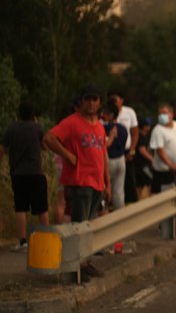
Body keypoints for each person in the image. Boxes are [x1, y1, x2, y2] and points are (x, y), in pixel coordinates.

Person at [43, 84, 110, 279]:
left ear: (99, 102)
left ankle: (85, 262)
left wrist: (107, 182)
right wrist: (68, 155)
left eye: (94, 99)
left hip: (97, 183)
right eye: (87, 99)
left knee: (88, 226)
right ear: (81, 102)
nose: (91, 103)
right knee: (79, 225)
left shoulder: (99, 125)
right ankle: (74, 267)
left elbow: (103, 154)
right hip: (80, 181)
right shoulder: (72, 122)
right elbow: (49, 138)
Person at [1, 101, 49, 252]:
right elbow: (45, 146)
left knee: (20, 207)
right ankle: (45, 239)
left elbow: (2, 148)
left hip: (18, 173)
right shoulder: (37, 128)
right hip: (36, 172)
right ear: (33, 114)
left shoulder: (12, 128)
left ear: (19, 113)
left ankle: (22, 241)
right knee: (41, 208)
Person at [109, 91, 139, 203]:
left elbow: (135, 132)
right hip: (110, 152)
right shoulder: (106, 113)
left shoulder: (129, 112)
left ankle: (131, 206)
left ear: (121, 100)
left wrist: (132, 150)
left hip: (126, 150)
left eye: (115, 99)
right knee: (112, 182)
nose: (114, 102)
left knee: (129, 181)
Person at [149, 104, 176, 194]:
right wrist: (171, 165)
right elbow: (160, 151)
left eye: (164, 113)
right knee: (163, 197)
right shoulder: (158, 130)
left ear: (171, 114)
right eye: (160, 114)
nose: (161, 116)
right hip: (163, 172)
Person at [100, 101, 128, 211]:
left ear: (111, 114)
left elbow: (103, 146)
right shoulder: (123, 128)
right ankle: (120, 216)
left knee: (105, 190)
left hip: (109, 161)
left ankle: (104, 212)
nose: (103, 115)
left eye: (106, 113)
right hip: (121, 160)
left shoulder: (104, 128)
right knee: (119, 191)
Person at [134, 117, 154, 199]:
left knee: (139, 185)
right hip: (143, 165)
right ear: (144, 126)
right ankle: (153, 203)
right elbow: (142, 150)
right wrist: (152, 159)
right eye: (148, 125)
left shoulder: (139, 135)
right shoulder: (141, 136)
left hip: (138, 165)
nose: (149, 127)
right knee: (152, 182)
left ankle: (135, 204)